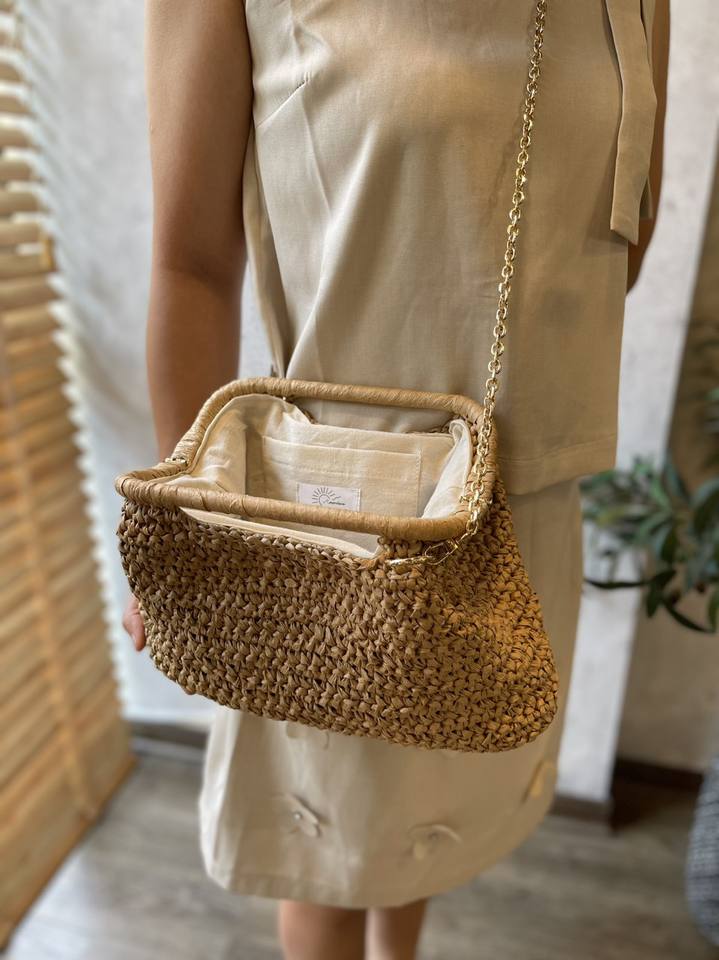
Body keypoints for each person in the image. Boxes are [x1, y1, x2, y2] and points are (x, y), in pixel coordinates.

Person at [122, 1, 669, 957]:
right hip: (337, 533)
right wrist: (185, 521)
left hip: (517, 509)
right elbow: (191, 262)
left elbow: (612, 245)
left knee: (418, 840)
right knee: (330, 864)